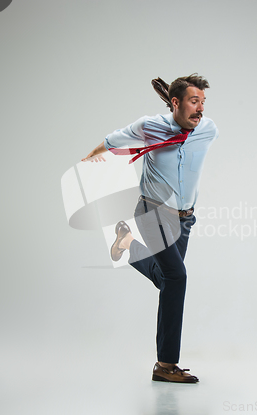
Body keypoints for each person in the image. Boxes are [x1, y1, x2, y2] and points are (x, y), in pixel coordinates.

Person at [82, 74, 218, 383]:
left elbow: (185, 124)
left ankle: (127, 243)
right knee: (177, 277)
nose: (200, 110)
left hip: (184, 218)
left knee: (168, 282)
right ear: (175, 102)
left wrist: (183, 110)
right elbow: (113, 139)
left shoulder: (208, 130)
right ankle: (165, 365)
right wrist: (90, 157)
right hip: (152, 212)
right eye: (194, 102)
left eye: (203, 103)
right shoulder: (149, 126)